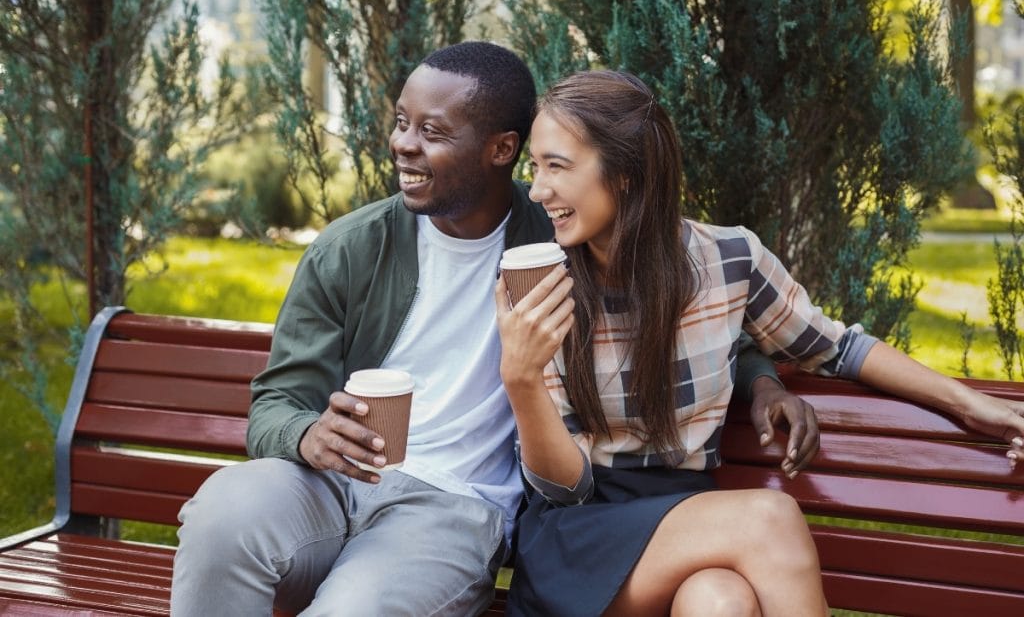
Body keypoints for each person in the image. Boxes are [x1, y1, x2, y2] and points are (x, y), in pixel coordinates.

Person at [169, 44, 808, 616]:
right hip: (325, 487)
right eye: (401, 123)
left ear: (502, 149)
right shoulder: (351, 249)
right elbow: (273, 404)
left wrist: (762, 381)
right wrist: (308, 433)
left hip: (452, 507)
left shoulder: (563, 236)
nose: (402, 144)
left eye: (431, 131)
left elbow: (685, 307)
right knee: (222, 515)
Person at [495, 69, 1024, 617]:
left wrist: (974, 406)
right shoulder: (540, 284)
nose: (537, 189)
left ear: (626, 172)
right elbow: (564, 488)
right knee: (770, 518)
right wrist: (521, 378)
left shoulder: (728, 260)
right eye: (536, 166)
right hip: (579, 535)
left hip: (689, 517)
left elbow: (837, 348)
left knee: (720, 601)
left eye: (555, 165)